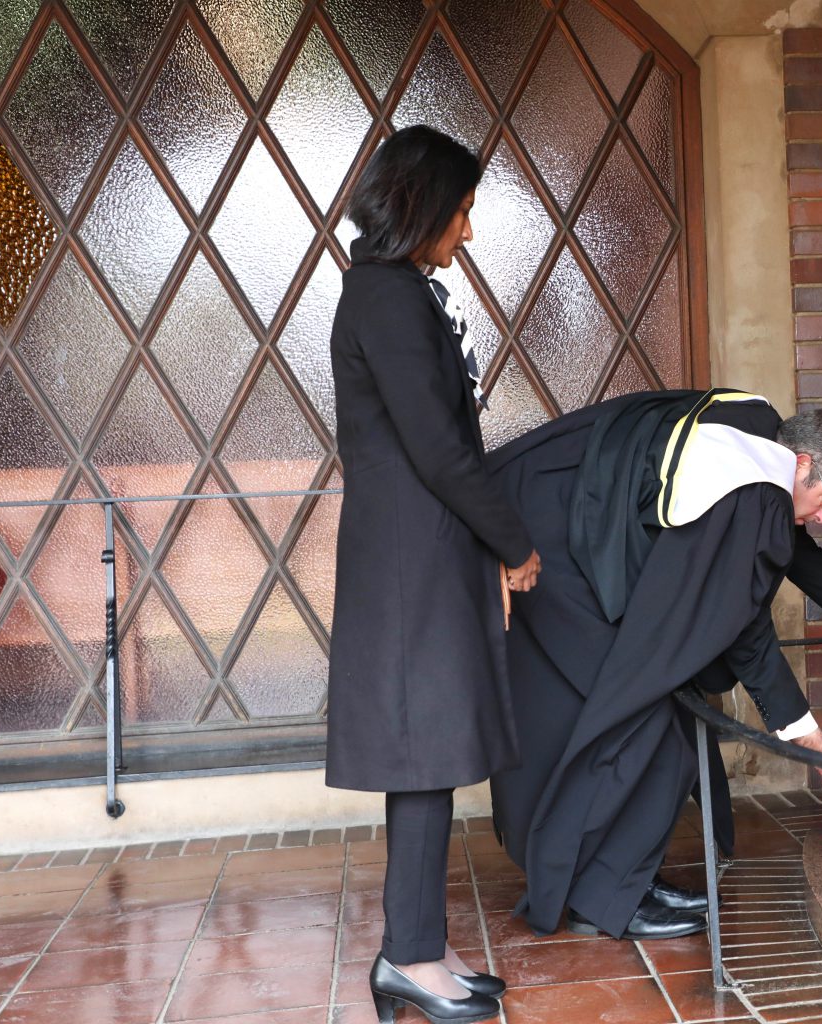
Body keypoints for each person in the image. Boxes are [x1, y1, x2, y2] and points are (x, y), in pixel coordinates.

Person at [485, 388, 822, 941]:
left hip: (543, 511)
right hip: (547, 551)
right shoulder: (752, 496)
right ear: (801, 462)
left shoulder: (760, 431)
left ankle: (618, 883)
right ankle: (602, 899)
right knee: (649, 729)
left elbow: (793, 547)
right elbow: (748, 633)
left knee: (669, 728)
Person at [325, 125, 541, 1024]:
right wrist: (514, 545)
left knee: (433, 751)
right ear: (422, 208)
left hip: (419, 549)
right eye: (461, 210)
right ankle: (408, 957)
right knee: (423, 753)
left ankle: (420, 943)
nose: (470, 231)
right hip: (415, 555)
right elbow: (441, 451)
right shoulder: (386, 299)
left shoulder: (393, 292)